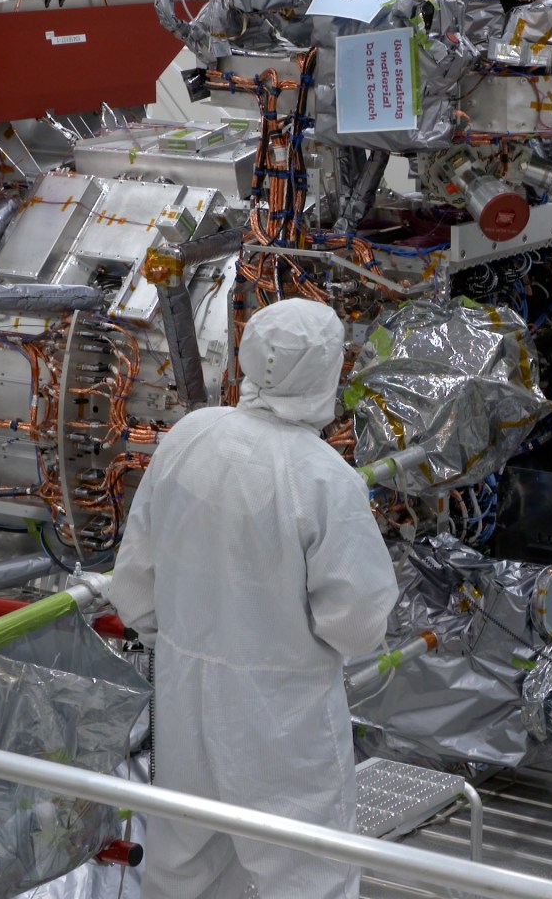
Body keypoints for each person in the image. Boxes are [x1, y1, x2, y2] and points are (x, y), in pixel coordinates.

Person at [112, 298, 399, 899]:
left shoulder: (190, 435)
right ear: (327, 371)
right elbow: (358, 622)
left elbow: (135, 580)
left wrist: (178, 640)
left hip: (184, 694)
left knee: (183, 866)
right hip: (281, 718)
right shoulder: (323, 479)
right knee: (306, 875)